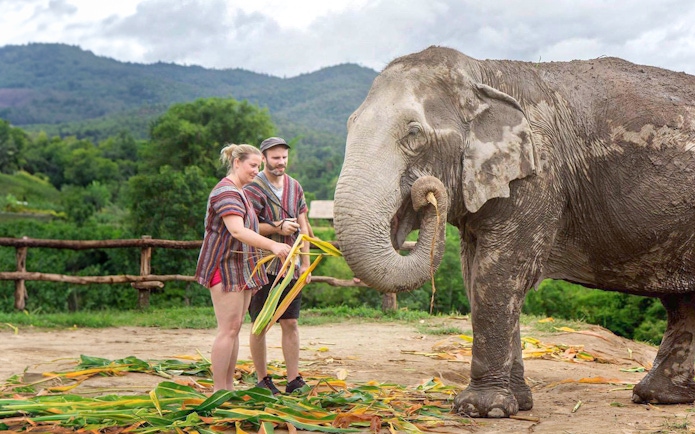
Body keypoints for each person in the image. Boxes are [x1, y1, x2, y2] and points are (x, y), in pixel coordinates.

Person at [195, 143, 292, 392]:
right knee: (227, 329)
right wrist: (273, 246)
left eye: (258, 166)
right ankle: (219, 390)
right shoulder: (226, 192)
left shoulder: (241, 192)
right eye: (252, 165)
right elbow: (237, 230)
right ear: (236, 163)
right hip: (224, 266)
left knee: (235, 328)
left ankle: (228, 387)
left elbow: (251, 227)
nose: (256, 171)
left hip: (242, 267)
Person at [244, 136, 312, 395]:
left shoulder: (296, 187)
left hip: (291, 267)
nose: (281, 162)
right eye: (275, 158)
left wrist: (305, 264)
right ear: (264, 158)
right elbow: (247, 226)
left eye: (284, 157)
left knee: (291, 322)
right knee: (260, 323)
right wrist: (277, 227)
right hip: (263, 265)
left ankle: (293, 379)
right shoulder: (253, 188)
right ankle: (263, 379)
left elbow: (303, 227)